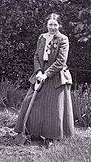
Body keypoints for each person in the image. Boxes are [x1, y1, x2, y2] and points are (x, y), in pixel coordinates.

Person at [14, 13, 74, 147]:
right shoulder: (41, 37)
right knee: (30, 101)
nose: (52, 27)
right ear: (46, 25)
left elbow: (60, 61)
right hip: (40, 72)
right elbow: (36, 56)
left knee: (53, 107)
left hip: (56, 76)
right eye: (50, 24)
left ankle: (51, 137)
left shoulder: (63, 39)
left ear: (59, 25)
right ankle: (32, 132)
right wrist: (39, 72)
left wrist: (46, 74)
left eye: (55, 24)